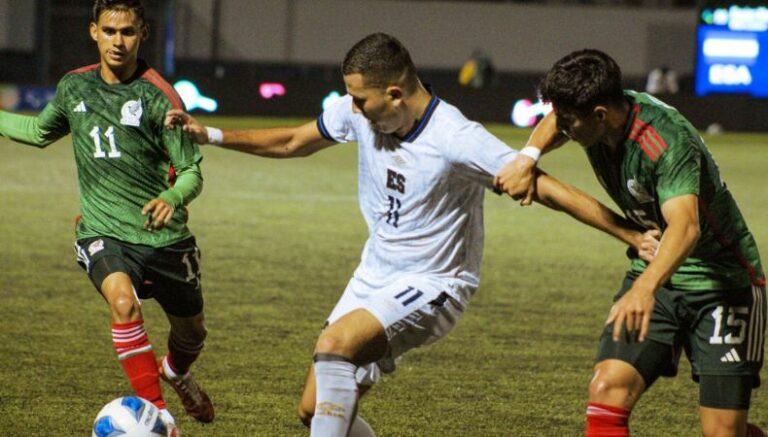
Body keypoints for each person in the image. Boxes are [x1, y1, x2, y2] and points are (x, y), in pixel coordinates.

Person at [165, 33, 658, 436]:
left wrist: (630, 235)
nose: (353, 108)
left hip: (436, 282)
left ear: (395, 94)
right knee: (316, 411)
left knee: (335, 345)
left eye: (361, 99)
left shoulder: (455, 138)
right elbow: (293, 140)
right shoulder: (360, 112)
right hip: (374, 274)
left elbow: (545, 186)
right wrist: (212, 135)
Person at [495, 48, 766, 437]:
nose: (563, 128)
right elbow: (555, 119)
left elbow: (686, 228)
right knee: (607, 388)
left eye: (570, 122)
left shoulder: (666, 141)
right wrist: (527, 157)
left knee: (723, 432)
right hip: (656, 269)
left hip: (721, 283)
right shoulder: (596, 116)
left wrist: (643, 289)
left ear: (599, 115)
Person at [0, 1, 214, 434]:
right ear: (94, 32)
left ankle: (176, 372)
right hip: (102, 230)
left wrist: (172, 196)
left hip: (163, 238)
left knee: (192, 333)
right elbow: (39, 132)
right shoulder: (74, 87)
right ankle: (160, 414)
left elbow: (191, 171)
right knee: (122, 304)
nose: (119, 41)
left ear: (143, 35)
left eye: (128, 32)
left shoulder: (159, 96)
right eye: (110, 31)